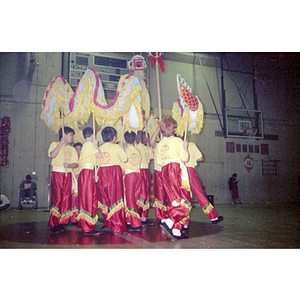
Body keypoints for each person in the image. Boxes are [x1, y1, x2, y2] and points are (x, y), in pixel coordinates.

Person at [156, 116, 192, 240]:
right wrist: (185, 147)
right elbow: (185, 158)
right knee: (185, 203)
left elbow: (160, 163)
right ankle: (170, 222)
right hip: (176, 171)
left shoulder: (159, 143)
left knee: (175, 202)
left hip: (165, 171)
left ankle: (176, 230)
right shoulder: (177, 141)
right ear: (174, 128)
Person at [97, 126, 128, 234]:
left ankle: (108, 221)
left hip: (101, 173)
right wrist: (121, 147)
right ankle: (117, 226)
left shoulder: (99, 147)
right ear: (114, 137)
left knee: (104, 197)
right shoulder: (116, 147)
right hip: (113, 173)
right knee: (116, 198)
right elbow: (125, 158)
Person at [48, 126, 79, 233]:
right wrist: (61, 143)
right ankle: (53, 223)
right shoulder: (54, 144)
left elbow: (76, 163)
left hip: (68, 174)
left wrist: (69, 165)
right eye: (70, 135)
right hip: (57, 174)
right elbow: (52, 155)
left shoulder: (72, 149)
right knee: (58, 198)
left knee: (66, 198)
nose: (72, 137)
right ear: (64, 134)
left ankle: (62, 222)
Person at [185, 140, 223, 225]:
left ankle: (183, 223)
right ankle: (213, 217)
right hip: (190, 170)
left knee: (184, 197)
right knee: (200, 194)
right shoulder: (191, 145)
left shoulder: (177, 145)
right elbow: (200, 158)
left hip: (179, 172)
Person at [77, 128, 102, 235]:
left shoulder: (85, 145)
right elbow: (100, 156)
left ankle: (86, 224)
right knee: (87, 199)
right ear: (92, 135)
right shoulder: (89, 144)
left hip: (87, 172)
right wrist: (96, 144)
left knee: (89, 197)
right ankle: (87, 227)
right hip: (87, 172)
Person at [121, 131, 146, 230]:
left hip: (129, 176)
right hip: (138, 175)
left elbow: (122, 167)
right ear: (135, 140)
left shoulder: (124, 152)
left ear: (125, 140)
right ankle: (129, 219)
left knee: (129, 199)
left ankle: (135, 222)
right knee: (134, 198)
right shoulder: (137, 151)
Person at [149, 126, 168, 223]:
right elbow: (151, 142)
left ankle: (170, 215)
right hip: (158, 172)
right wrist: (157, 130)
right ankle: (162, 216)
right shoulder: (157, 146)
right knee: (160, 194)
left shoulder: (170, 144)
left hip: (168, 171)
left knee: (169, 194)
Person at [136, 130, 154, 226]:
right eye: (144, 137)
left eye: (148, 137)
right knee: (141, 194)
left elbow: (154, 155)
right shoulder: (138, 146)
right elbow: (138, 139)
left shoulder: (148, 149)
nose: (146, 139)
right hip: (140, 171)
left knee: (146, 194)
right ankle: (135, 216)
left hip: (146, 171)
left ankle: (143, 217)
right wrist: (140, 127)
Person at [70, 142, 82, 225]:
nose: (78, 151)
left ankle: (81, 217)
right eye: (76, 149)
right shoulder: (71, 159)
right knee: (74, 199)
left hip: (81, 181)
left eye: (80, 149)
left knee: (81, 200)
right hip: (73, 182)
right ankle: (74, 218)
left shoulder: (83, 159)